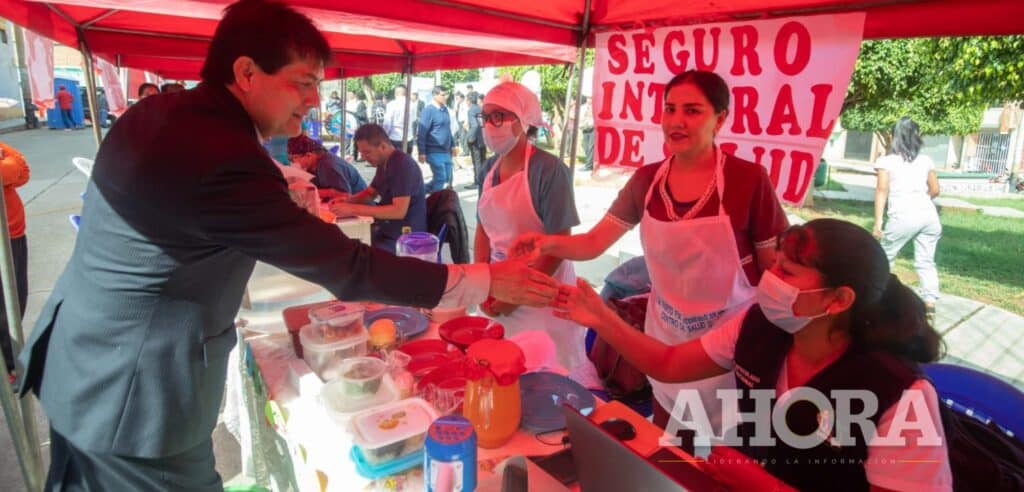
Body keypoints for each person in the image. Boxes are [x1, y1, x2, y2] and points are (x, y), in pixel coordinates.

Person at [17, 1, 558, 489]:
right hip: (135, 398)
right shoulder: (221, 153)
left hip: (84, 363)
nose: (314, 99)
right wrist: (485, 279)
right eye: (303, 83)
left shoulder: (162, 114)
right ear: (246, 73)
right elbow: (347, 267)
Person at [554, 219, 952, 492]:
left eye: (788, 273)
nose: (769, 279)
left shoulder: (900, 395)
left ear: (838, 300)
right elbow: (669, 365)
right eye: (775, 265)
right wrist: (602, 318)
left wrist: (760, 484)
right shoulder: (760, 325)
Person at [511, 70, 789, 437]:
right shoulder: (647, 180)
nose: (676, 121)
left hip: (726, 351)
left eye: (692, 111)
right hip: (664, 341)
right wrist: (546, 243)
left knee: (721, 456)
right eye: (670, 109)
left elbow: (775, 271)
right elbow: (594, 243)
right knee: (667, 448)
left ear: (720, 118)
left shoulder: (748, 180)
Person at [474, 82, 597, 386]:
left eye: (498, 116)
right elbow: (483, 229)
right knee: (500, 377)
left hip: (542, 293)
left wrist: (518, 295)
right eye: (485, 117)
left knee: (545, 378)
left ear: (523, 120)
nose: (489, 125)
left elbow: (560, 241)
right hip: (498, 289)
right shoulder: (489, 169)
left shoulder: (549, 170)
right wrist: (482, 283)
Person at [873, 117, 942, 321]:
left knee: (885, 257)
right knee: (926, 261)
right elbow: (935, 190)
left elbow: (882, 190)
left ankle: (876, 297)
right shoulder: (926, 160)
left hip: (902, 215)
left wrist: (878, 222)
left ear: (895, 136)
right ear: (916, 136)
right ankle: (930, 302)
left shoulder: (887, 162)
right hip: (929, 215)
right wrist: (920, 201)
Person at [331, 124, 427, 254]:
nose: (364, 157)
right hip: (386, 230)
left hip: (404, 239)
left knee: (356, 253)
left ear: (383, 146)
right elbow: (370, 193)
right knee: (346, 242)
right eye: (362, 153)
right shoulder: (383, 163)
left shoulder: (402, 165)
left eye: (367, 152)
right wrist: (348, 200)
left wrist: (352, 208)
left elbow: (398, 211)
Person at [0, 141, 29, 384]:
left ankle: (12, 362)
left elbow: (21, 169)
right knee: (5, 307)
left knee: (16, 300)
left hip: (13, 235)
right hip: (4, 237)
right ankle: (10, 366)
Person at [287, 134, 367, 199]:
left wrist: (310, 192)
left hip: (360, 206)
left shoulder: (328, 165)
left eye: (293, 158)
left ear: (308, 155)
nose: (293, 162)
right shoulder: (313, 165)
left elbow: (345, 195)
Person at [417, 85, 457, 192]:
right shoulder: (428, 111)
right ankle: (436, 200)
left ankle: (419, 192)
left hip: (445, 151)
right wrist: (422, 152)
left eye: (447, 94)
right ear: (434, 95)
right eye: (443, 95)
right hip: (433, 150)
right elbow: (422, 132)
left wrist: (453, 145)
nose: (446, 97)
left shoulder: (445, 110)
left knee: (446, 177)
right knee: (440, 178)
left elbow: (447, 129)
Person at [383, 86, 417, 154]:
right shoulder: (412, 104)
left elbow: (387, 123)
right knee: (406, 159)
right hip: (408, 138)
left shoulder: (391, 104)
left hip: (395, 138)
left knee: (394, 159)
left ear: (396, 93)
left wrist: (385, 136)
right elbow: (413, 120)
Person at [465, 92, 486, 189]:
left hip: (475, 140)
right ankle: (484, 180)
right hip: (483, 138)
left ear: (469, 101)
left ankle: (477, 182)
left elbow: (475, 125)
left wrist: (470, 138)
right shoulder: (481, 109)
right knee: (483, 160)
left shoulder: (471, 110)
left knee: (476, 162)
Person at [579, 96, 595, 170]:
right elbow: (580, 117)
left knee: (590, 147)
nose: (589, 100)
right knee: (584, 145)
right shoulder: (583, 107)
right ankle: (590, 162)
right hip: (585, 127)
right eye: (588, 98)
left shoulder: (595, 107)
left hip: (593, 128)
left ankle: (588, 165)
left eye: (591, 98)